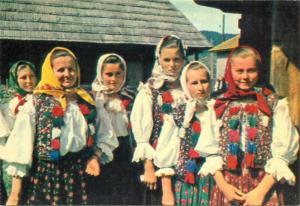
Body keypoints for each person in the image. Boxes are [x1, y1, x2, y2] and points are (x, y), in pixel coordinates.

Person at [197, 46, 299, 205]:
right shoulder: (219, 104)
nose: (245, 76)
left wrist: (260, 193)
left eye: (251, 70)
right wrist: (225, 188)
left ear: (259, 70)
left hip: (263, 186)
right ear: (230, 70)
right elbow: (211, 151)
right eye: (239, 71)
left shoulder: (273, 104)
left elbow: (282, 155)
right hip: (228, 187)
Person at [3, 47, 102, 205]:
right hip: (46, 177)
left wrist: (94, 157)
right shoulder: (35, 103)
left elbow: (103, 135)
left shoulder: (87, 100)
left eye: (71, 69)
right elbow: (21, 146)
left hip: (81, 174)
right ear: (50, 72)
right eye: (60, 70)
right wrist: (15, 194)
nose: (67, 74)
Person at [131, 35, 186, 205]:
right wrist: (148, 167)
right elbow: (142, 136)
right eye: (167, 59)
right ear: (159, 60)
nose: (172, 65)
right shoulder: (150, 91)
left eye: (176, 59)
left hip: (185, 162)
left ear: (184, 60)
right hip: (158, 163)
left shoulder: (189, 88)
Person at [154, 61, 215, 205]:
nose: (200, 88)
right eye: (194, 83)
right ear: (185, 85)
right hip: (187, 181)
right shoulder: (179, 114)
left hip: (213, 181)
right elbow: (166, 153)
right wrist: (167, 192)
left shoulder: (216, 110)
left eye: (204, 81)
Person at [90, 53, 141, 204]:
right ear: (100, 73)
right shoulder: (94, 97)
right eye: (109, 74)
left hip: (125, 148)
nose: (113, 79)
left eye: (118, 74)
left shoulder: (130, 96)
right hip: (102, 150)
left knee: (126, 192)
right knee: (105, 193)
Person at [0, 61, 37, 205]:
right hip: (14, 156)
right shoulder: (9, 104)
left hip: (36, 156)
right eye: (23, 77)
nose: (29, 81)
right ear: (15, 79)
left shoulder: (42, 98)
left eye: (32, 76)